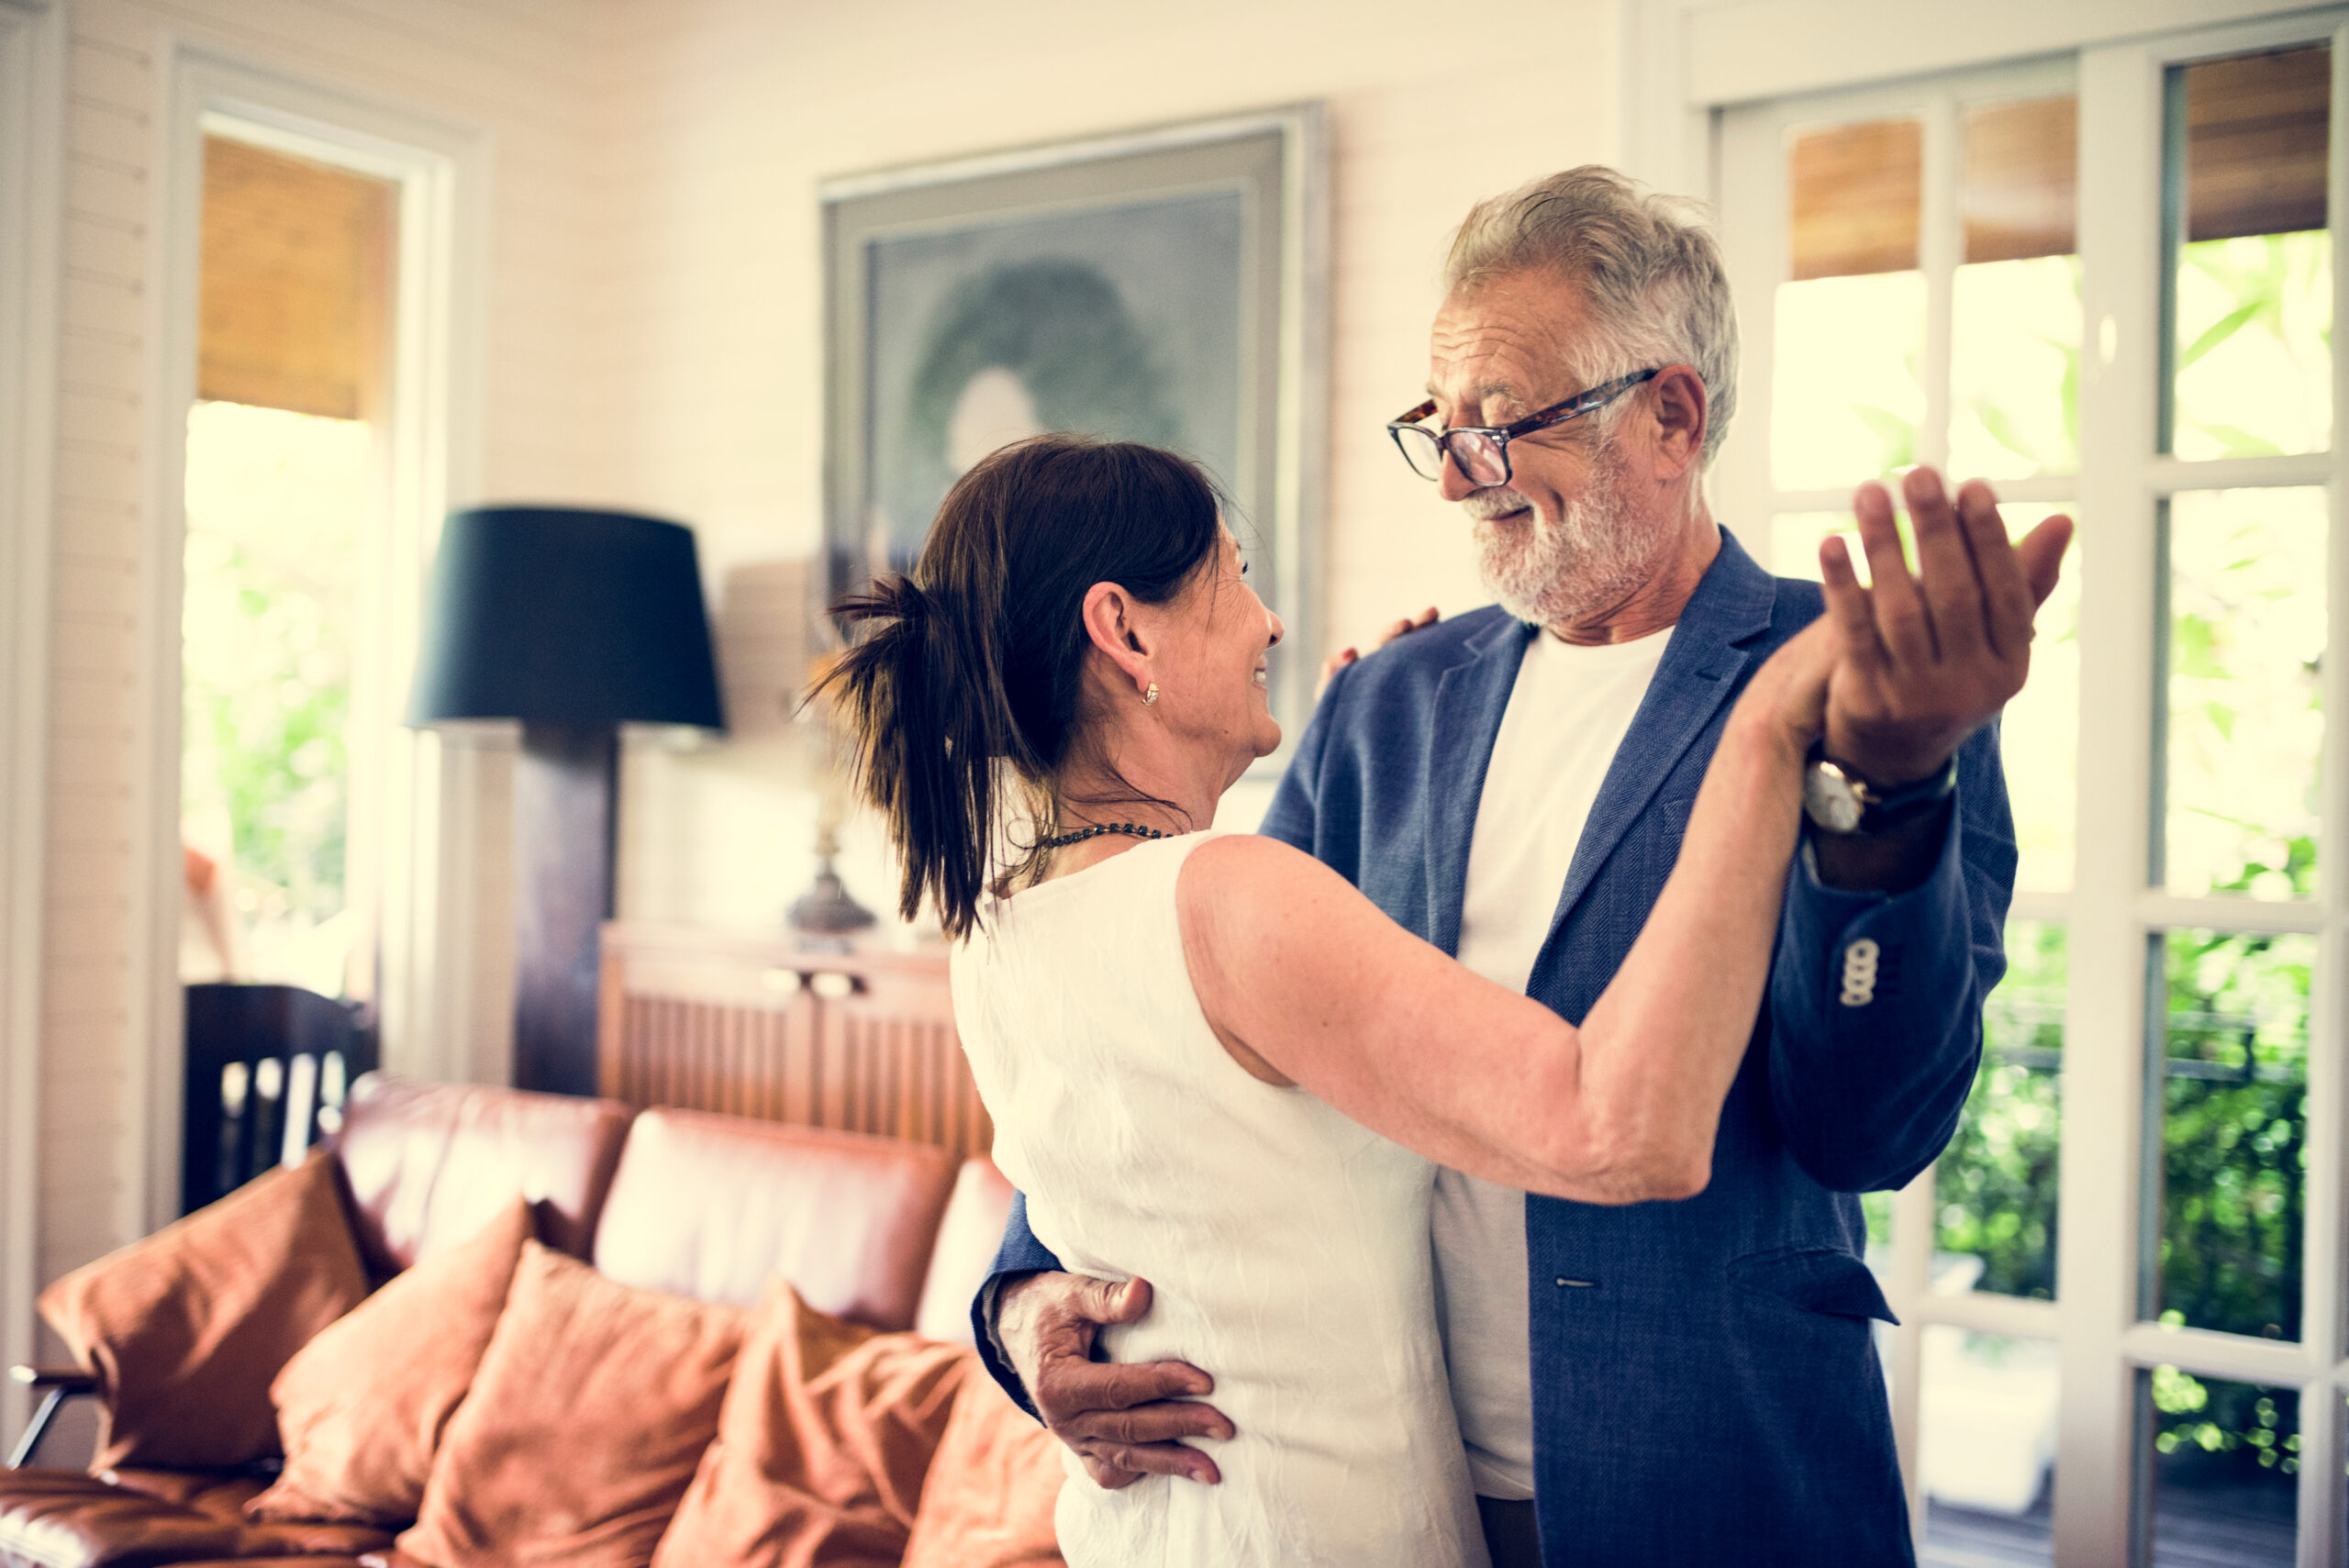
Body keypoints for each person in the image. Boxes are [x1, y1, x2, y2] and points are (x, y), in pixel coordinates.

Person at [974, 166, 2072, 1567]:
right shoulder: (1387, 700)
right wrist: (1024, 1300)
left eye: (1500, 424)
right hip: (1406, 1491)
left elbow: (1875, 1129)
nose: (1451, 474)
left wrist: (1899, 782)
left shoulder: (1860, 682)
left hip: (1719, 1480)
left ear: (1671, 415)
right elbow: (1193, 1059)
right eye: (1439, 425)